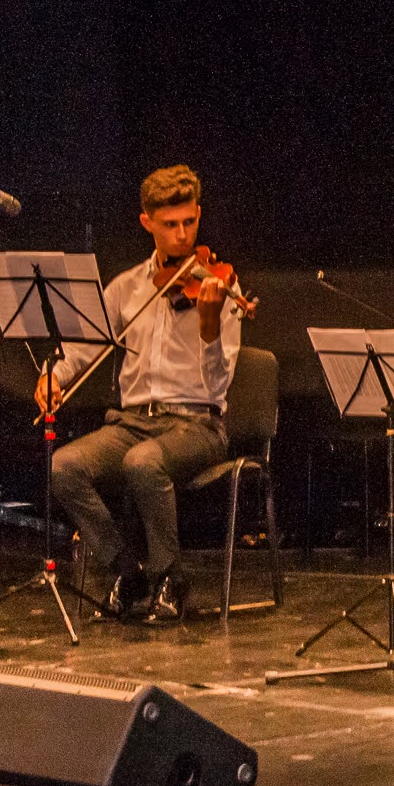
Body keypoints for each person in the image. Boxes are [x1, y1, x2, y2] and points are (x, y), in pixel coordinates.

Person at [37, 164, 243, 622]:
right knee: (64, 467)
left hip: (197, 424)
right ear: (147, 222)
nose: (183, 235)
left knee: (143, 462)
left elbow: (220, 384)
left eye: (190, 222)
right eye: (170, 225)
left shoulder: (219, 283)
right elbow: (86, 347)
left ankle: (171, 577)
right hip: (132, 421)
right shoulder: (127, 287)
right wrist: (56, 376)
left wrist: (210, 325)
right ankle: (126, 571)